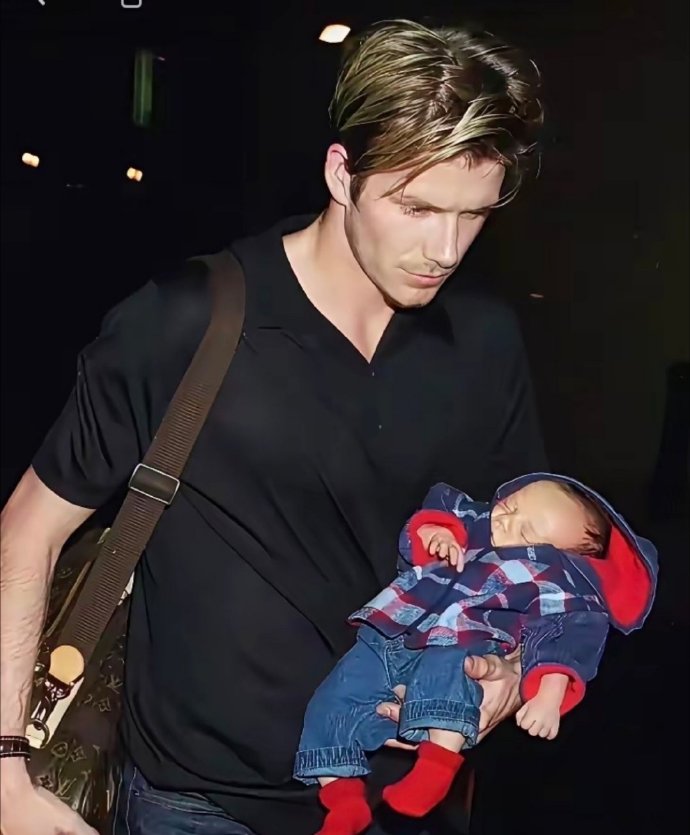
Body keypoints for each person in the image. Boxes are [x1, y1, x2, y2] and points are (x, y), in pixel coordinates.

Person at [1, 18, 547, 835]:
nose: (445, 247)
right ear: (341, 173)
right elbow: (28, 530)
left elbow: (522, 547)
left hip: (405, 799)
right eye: (416, 207)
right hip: (202, 804)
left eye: (473, 214)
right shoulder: (189, 319)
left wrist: (511, 659)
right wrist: (4, 769)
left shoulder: (485, 340)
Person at [293, 475, 658, 834]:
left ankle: (435, 769)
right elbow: (431, 516)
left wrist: (549, 693)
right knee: (331, 702)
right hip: (389, 632)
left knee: (451, 676)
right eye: (511, 506)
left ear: (561, 555)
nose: (507, 521)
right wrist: (434, 532)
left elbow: (567, 633)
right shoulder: (472, 520)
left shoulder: (554, 576)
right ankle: (343, 801)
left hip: (464, 637)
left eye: (527, 530)